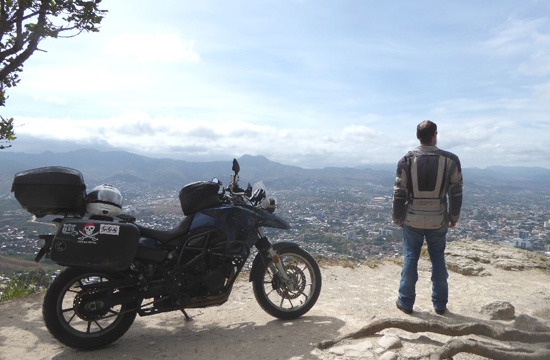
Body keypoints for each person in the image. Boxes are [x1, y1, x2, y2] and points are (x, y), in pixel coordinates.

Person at [391, 120, 463, 315]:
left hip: (412, 217)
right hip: (438, 218)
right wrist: (453, 216)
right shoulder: (450, 160)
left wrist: (397, 216)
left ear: (417, 137)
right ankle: (439, 304)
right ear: (435, 135)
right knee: (438, 259)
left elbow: (399, 192)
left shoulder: (406, 160)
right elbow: (455, 192)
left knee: (410, 258)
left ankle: (405, 302)